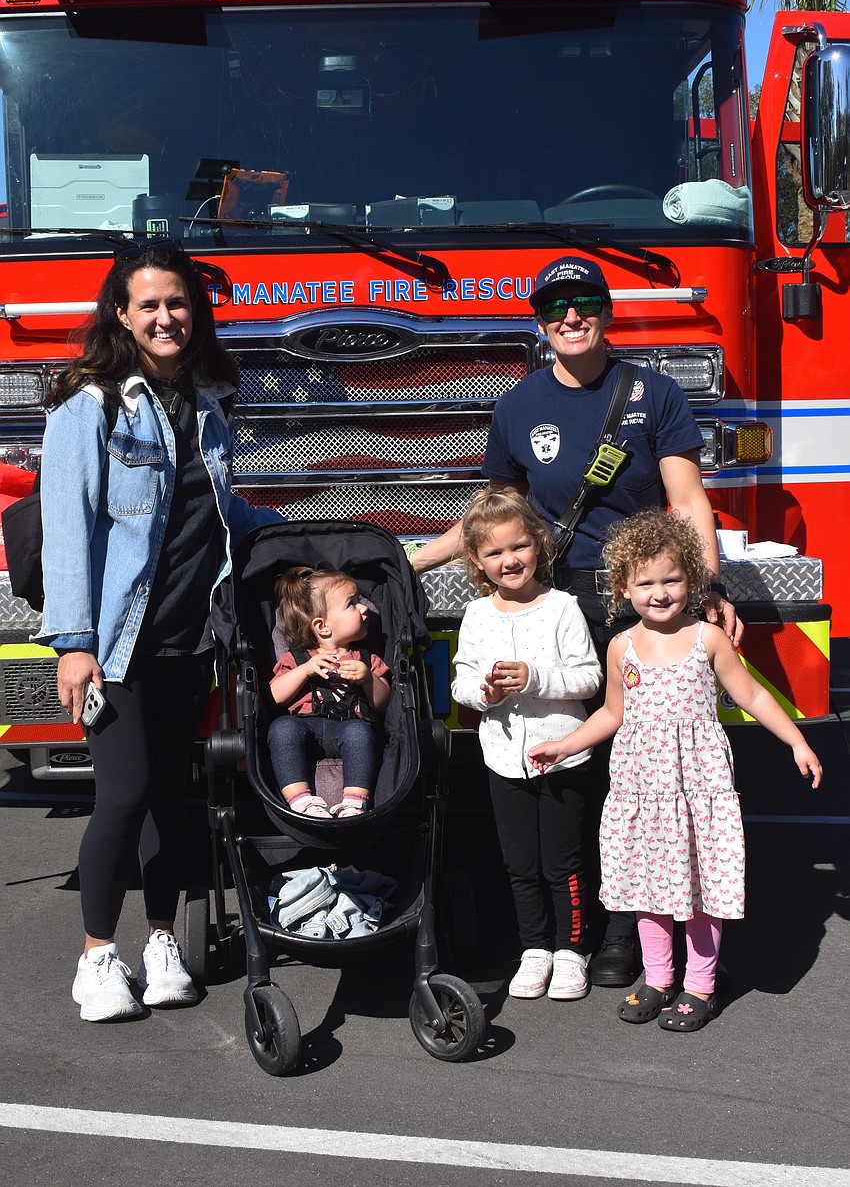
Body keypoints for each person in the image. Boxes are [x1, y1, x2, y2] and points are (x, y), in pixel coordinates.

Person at [412, 254, 742, 986]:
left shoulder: (653, 395)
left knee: (634, 777)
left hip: (635, 611)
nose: (570, 316)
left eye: (584, 302)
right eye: (556, 306)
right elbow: (494, 519)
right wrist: (409, 563)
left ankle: (625, 928)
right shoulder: (518, 404)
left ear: (605, 311)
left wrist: (709, 587)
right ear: (539, 319)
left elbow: (686, 502)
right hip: (555, 612)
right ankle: (566, 927)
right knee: (570, 775)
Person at [37, 239, 278, 1023]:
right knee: (124, 792)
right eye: (150, 305)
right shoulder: (90, 405)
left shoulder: (206, 404)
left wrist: (306, 540)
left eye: (177, 303)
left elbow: (219, 512)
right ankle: (95, 957)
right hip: (117, 641)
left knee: (172, 796)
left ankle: (162, 941)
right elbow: (68, 530)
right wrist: (73, 643)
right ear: (122, 313)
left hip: (188, 637)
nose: (166, 317)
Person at [528, 509, 822, 1032]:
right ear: (624, 587)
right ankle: (659, 977)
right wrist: (565, 745)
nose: (660, 593)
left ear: (691, 579)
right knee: (646, 887)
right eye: (645, 583)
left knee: (702, 890)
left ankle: (700, 984)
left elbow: (751, 693)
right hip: (641, 789)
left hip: (697, 786)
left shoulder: (707, 639)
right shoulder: (621, 647)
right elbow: (612, 714)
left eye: (672, 579)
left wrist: (797, 740)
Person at [450, 490, 602, 1000]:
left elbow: (589, 678)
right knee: (519, 863)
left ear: (538, 545)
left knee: (563, 861)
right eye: (494, 553)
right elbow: (461, 683)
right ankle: (534, 949)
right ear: (476, 561)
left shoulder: (562, 608)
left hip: (561, 754)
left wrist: (533, 677)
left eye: (518, 547)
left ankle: (572, 950)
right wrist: (483, 692)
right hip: (502, 759)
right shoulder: (476, 616)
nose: (508, 560)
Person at [268, 566, 391, 818]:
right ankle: (302, 801)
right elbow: (275, 696)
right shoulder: (297, 659)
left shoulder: (367, 659)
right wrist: (305, 670)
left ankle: (354, 802)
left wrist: (368, 679)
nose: (364, 608)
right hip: (306, 729)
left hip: (349, 728)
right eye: (352, 604)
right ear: (323, 626)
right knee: (281, 728)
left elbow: (382, 704)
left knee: (359, 732)